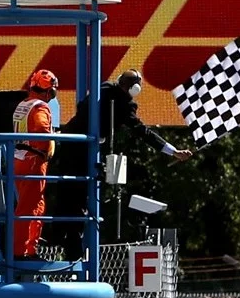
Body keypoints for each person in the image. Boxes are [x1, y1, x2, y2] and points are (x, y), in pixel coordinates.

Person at [47, 70, 191, 258]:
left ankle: (56, 237)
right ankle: (72, 249)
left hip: (69, 142)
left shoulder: (104, 88)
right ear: (134, 89)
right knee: (79, 196)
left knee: (65, 190)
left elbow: (83, 106)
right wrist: (173, 151)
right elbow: (143, 132)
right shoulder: (125, 105)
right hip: (84, 150)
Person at [11, 69, 59, 259]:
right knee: (28, 208)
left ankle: (30, 248)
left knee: (35, 205)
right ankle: (20, 251)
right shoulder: (40, 107)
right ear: (49, 90)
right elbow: (40, 129)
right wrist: (48, 145)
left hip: (20, 158)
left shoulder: (24, 104)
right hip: (34, 160)